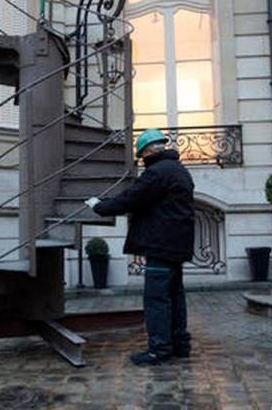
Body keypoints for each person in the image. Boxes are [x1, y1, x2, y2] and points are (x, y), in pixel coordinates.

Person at [85, 128, 195, 366]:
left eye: (142, 153)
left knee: (156, 299)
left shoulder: (156, 173)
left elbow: (130, 199)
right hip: (176, 246)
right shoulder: (179, 170)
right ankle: (179, 345)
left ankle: (159, 350)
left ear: (147, 151)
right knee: (175, 296)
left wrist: (99, 206)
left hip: (160, 246)